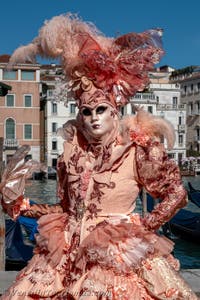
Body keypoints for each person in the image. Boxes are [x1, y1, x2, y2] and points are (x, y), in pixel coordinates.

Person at [0, 13, 198, 300]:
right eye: (87, 111)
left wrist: (143, 226)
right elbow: (66, 209)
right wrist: (22, 205)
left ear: (114, 112)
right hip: (66, 253)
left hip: (117, 256)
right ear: (79, 115)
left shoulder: (135, 151)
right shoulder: (71, 158)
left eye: (101, 110)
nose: (94, 118)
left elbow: (176, 194)